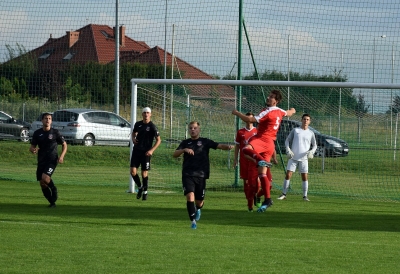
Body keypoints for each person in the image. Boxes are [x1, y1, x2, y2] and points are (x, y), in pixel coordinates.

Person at [232, 89, 296, 213]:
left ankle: (260, 160)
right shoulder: (280, 111)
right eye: (269, 95)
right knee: (262, 174)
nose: (268, 97)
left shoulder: (268, 111)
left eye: (271, 97)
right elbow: (289, 113)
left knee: (246, 149)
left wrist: (236, 113)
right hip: (270, 144)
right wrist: (293, 110)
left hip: (262, 139)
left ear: (275, 101)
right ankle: (267, 199)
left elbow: (250, 120)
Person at [173, 121, 233, 229]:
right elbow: (175, 154)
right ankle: (193, 221)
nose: (192, 130)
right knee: (190, 195)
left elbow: (218, 145)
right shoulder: (185, 143)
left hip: (201, 174)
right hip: (188, 173)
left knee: (199, 201)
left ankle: (198, 209)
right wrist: (184, 150)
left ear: (199, 129)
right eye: (190, 128)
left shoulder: (205, 141)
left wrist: (227, 147)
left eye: (195, 128)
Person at [29, 112, 67, 207]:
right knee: (42, 183)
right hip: (41, 160)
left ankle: (53, 189)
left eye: (49, 118)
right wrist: (33, 150)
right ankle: (52, 202)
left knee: (45, 178)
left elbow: (64, 144)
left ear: (51, 121)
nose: (48, 120)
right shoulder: (37, 133)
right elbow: (32, 147)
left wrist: (61, 156)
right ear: (42, 120)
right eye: (46, 118)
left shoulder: (55, 132)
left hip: (52, 159)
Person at [277, 113, 317, 201]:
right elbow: (287, 140)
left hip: (304, 158)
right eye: (304, 119)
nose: (305, 121)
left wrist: (312, 152)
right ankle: (283, 194)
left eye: (307, 119)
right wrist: (288, 149)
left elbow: (315, 145)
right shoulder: (295, 130)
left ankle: (305, 196)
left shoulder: (311, 133)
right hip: (293, 157)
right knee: (288, 175)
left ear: (309, 122)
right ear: (301, 120)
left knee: (304, 176)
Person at [130, 107, 161, 201]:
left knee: (144, 173)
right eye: (144, 113)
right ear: (142, 114)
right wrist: (133, 138)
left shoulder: (152, 126)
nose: (146, 114)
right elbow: (133, 133)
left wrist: (151, 150)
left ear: (150, 114)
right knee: (133, 172)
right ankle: (140, 187)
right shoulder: (138, 124)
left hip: (146, 153)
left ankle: (145, 192)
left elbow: (159, 140)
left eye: (148, 113)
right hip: (136, 151)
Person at [233, 112, 259, 212]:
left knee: (256, 182)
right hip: (244, 160)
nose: (248, 121)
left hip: (254, 160)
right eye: (247, 118)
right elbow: (237, 146)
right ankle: (249, 204)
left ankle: (256, 195)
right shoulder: (240, 132)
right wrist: (235, 159)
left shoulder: (257, 131)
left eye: (250, 119)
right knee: (246, 182)